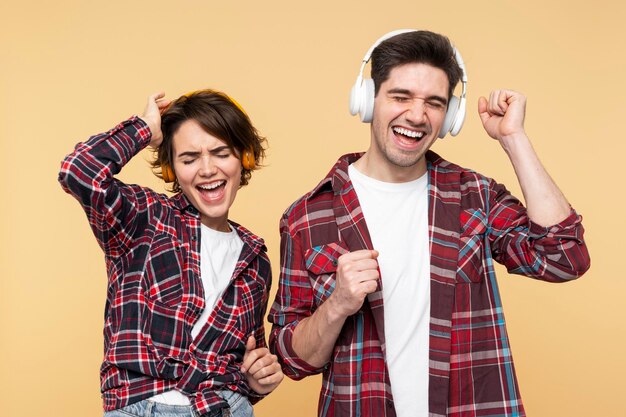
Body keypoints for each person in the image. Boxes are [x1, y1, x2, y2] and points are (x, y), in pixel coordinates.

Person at [267, 30, 590, 417]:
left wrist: (513, 139)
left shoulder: (474, 196)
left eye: (434, 103)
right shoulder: (307, 216)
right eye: (401, 97)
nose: (417, 116)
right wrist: (337, 304)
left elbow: (564, 257)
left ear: (450, 116)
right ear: (369, 100)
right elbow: (293, 360)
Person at [59, 89, 283, 417]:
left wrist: (256, 380)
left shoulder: (255, 258)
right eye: (189, 159)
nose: (207, 169)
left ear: (243, 158)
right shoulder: (143, 218)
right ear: (171, 170)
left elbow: (241, 364)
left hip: (226, 409)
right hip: (141, 406)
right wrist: (145, 128)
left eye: (221, 153)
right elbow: (80, 171)